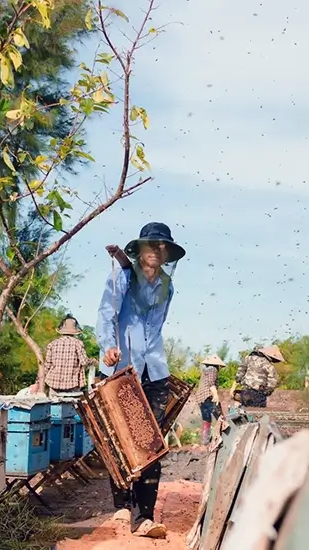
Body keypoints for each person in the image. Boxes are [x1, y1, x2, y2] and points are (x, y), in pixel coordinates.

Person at [96, 222, 185, 539]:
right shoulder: (121, 276)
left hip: (154, 373)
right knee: (119, 441)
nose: (157, 252)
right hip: (119, 370)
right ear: (141, 250)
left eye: (163, 248)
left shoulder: (167, 287)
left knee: (151, 446)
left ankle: (144, 517)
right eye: (152, 246)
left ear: (166, 254)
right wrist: (108, 347)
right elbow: (107, 314)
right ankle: (122, 507)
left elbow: (156, 328)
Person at [42, 315, 97, 397]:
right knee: (72, 408)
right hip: (72, 385)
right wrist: (92, 361)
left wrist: (40, 383)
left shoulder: (52, 344)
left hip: (53, 383)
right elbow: (84, 362)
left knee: (54, 407)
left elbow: (47, 366)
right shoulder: (78, 343)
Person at [196, 354, 225, 444]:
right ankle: (225, 437)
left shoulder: (205, 370)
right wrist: (215, 395)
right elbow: (211, 383)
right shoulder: (213, 369)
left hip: (200, 398)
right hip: (208, 396)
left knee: (206, 418)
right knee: (220, 417)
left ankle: (205, 441)